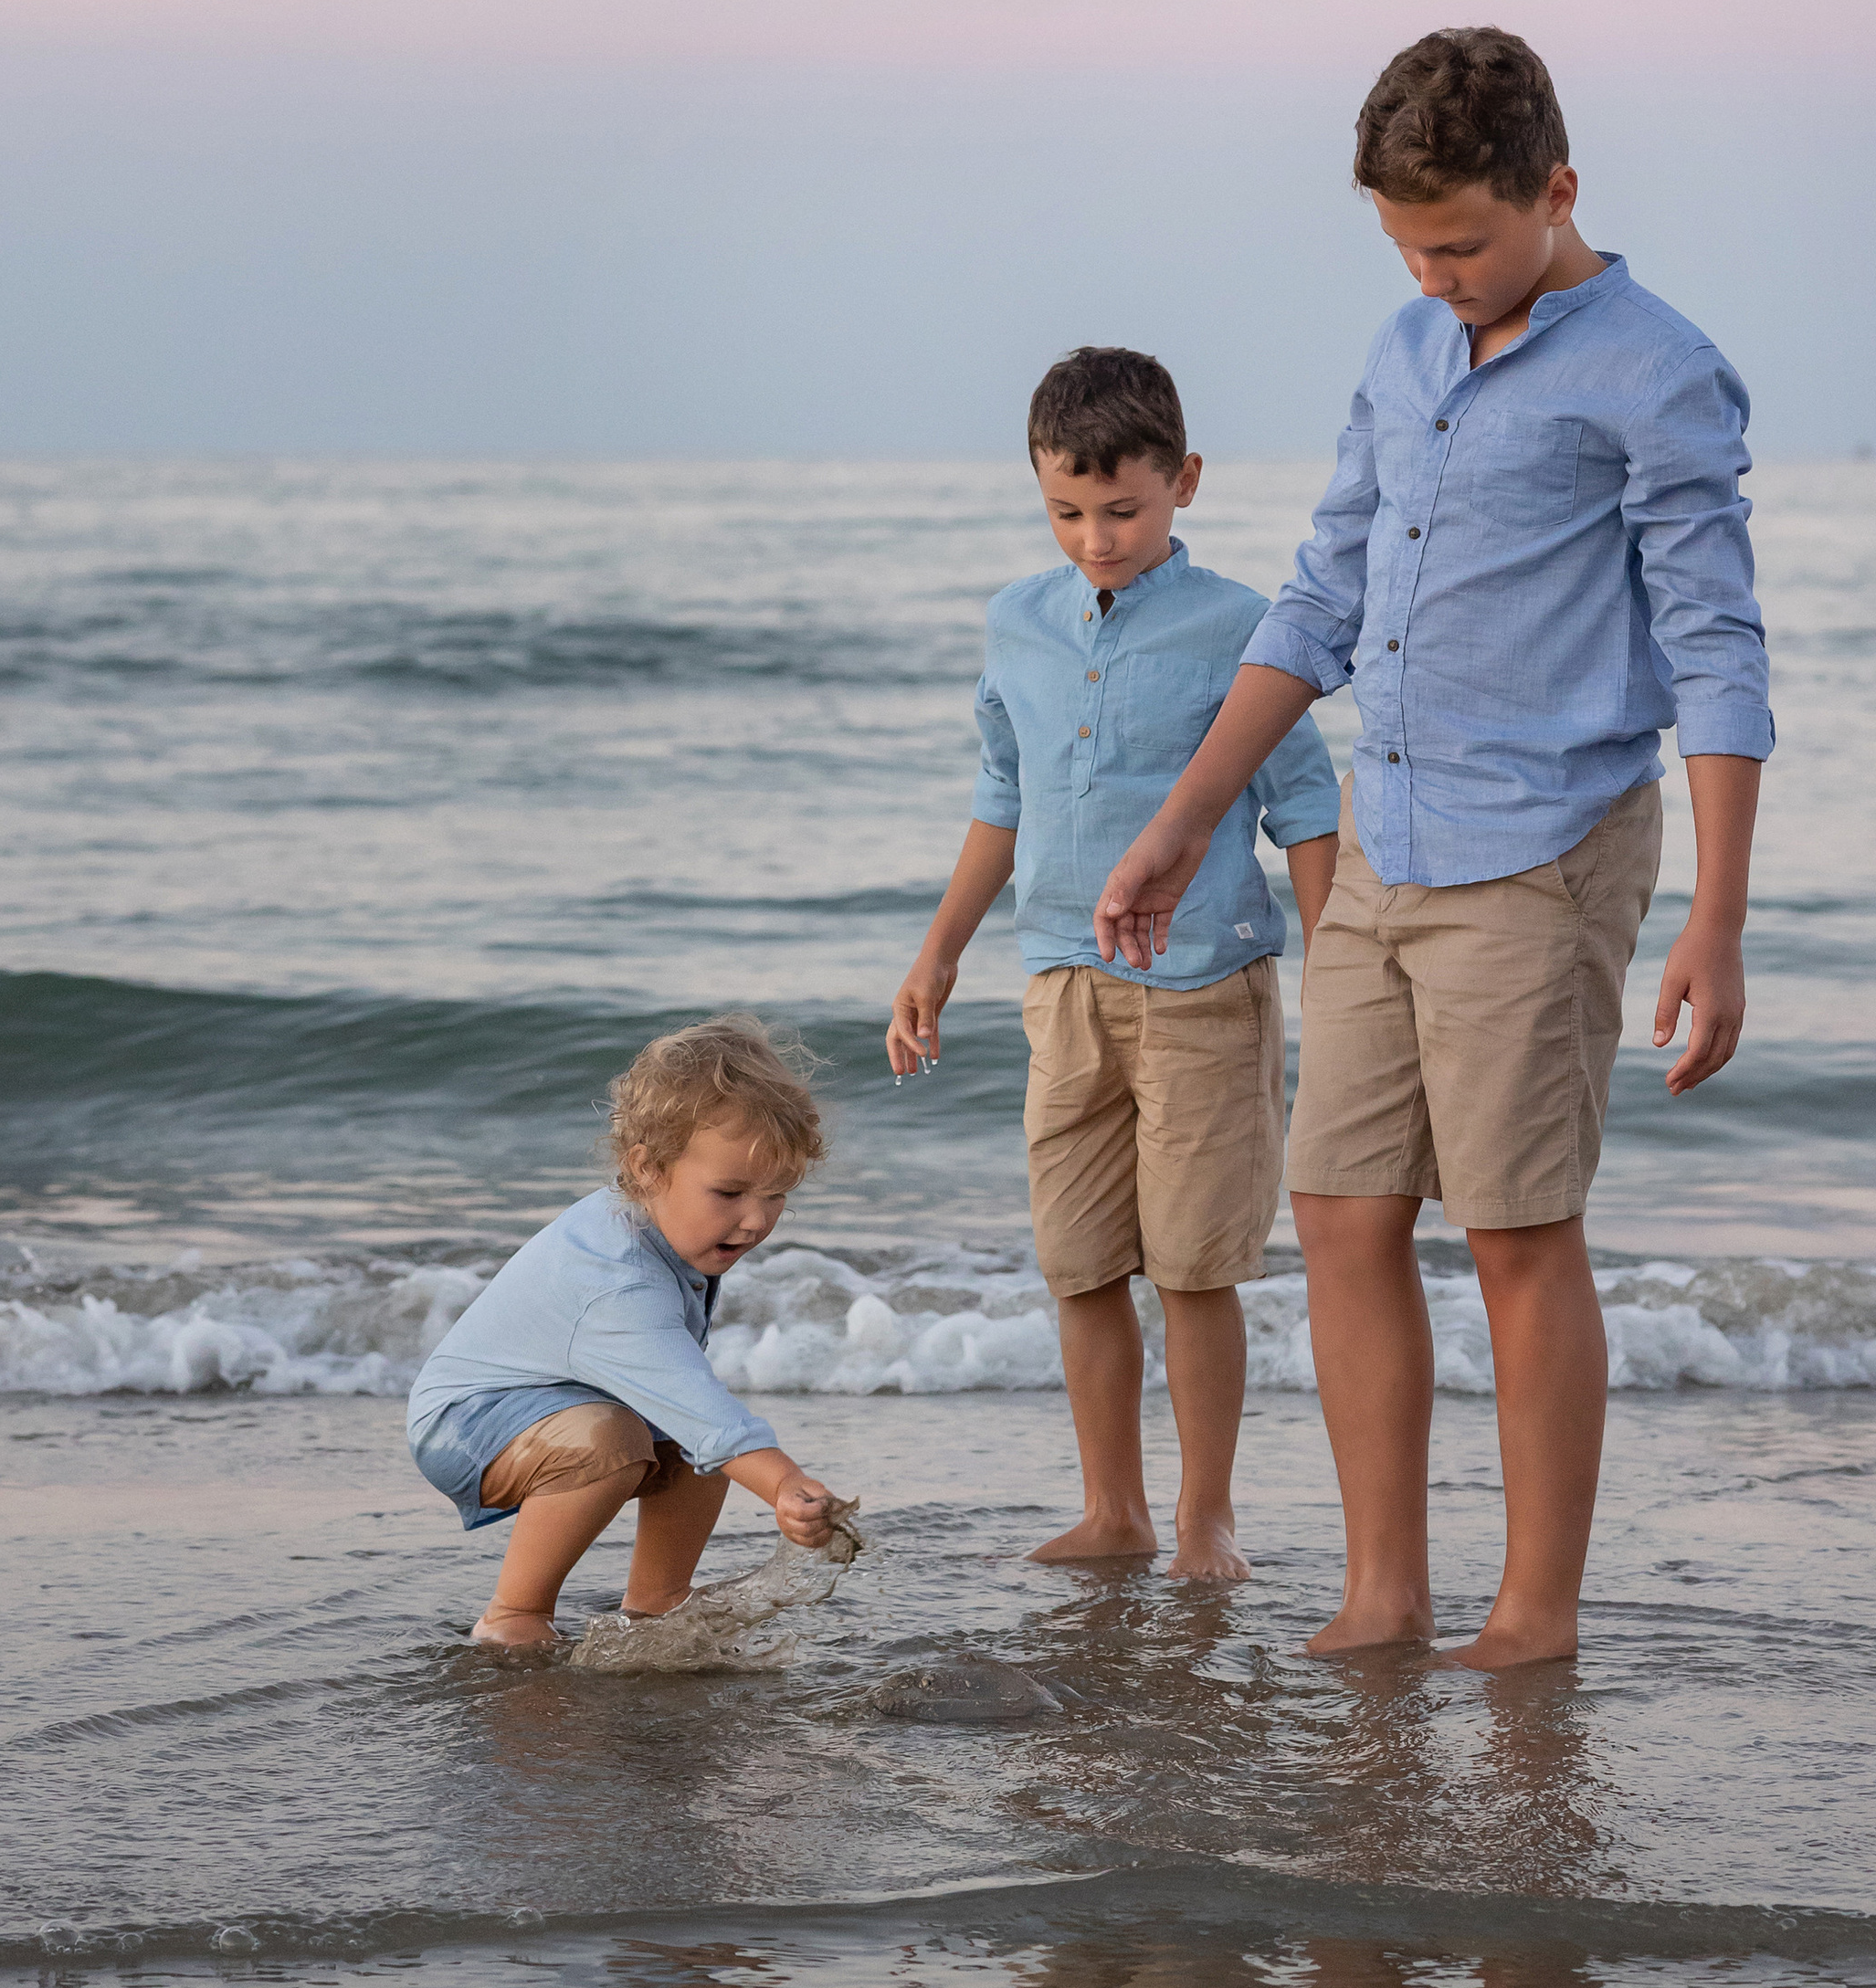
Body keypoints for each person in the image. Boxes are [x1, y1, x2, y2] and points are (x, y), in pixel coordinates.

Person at [1092, 29, 1772, 1667]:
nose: (1435, 272)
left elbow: (1718, 645)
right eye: (1406, 246)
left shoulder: (1659, 370)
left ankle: (1535, 1613)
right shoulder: (1404, 352)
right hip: (1383, 846)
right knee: (1337, 1213)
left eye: (1462, 241)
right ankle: (1384, 1594)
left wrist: (1720, 915)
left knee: (1520, 1231)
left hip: (1540, 850)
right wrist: (1184, 824)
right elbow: (1319, 602)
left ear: (1558, 191)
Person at [889, 347, 1342, 1580]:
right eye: (1067, 512)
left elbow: (1303, 803)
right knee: (1079, 1263)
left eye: (1124, 511)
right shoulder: (1014, 623)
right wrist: (938, 956)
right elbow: (1000, 795)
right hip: (1060, 990)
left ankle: (1206, 1519)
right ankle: (1114, 1510)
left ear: (1184, 481)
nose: (1096, 537)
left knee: (1194, 1270)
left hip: (1207, 988)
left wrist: (1344, 980)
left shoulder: (1245, 626)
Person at [407, 1015, 844, 1648]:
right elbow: (706, 1416)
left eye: (778, 1194)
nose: (755, 1220)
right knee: (625, 1437)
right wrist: (784, 1485)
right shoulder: (617, 1281)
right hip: (465, 1421)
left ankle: (658, 1599)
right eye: (729, 1192)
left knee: (696, 1428)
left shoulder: (664, 1229)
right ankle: (514, 1616)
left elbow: (697, 1413)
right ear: (646, 1168)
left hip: (548, 1403)